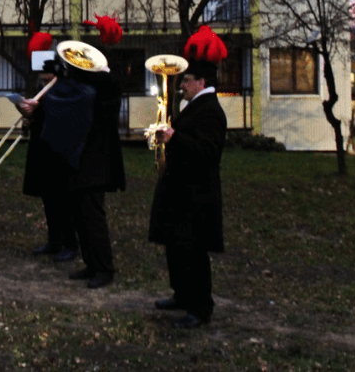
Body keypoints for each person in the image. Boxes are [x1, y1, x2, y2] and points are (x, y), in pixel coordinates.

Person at [23, 48, 125, 289]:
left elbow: (102, 84)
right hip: (79, 162)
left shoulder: (105, 88)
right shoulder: (85, 89)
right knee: (81, 217)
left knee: (93, 217)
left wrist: (81, 71)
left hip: (96, 165)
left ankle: (104, 268)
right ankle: (91, 264)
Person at [149, 26, 229, 328]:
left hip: (197, 194)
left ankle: (201, 307)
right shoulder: (195, 106)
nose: (182, 85)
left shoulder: (211, 111)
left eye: (186, 80)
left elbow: (207, 152)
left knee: (193, 252)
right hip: (181, 191)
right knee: (176, 246)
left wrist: (174, 138)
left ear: (200, 81)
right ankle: (181, 295)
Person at [19, 52, 78, 263]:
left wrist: (41, 110)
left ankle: (70, 243)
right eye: (42, 78)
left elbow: (63, 118)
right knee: (49, 201)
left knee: (64, 202)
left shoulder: (66, 91)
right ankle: (54, 241)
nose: (44, 81)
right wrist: (28, 120)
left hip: (60, 155)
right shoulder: (41, 92)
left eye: (48, 78)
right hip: (42, 152)